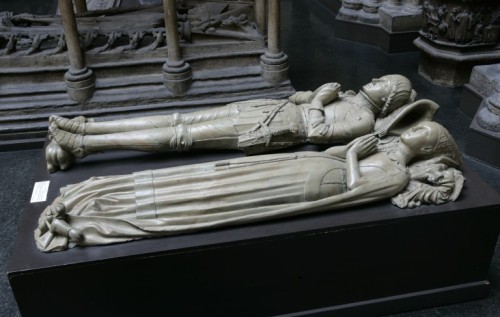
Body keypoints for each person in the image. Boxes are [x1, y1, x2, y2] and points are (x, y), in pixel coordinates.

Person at [35, 121, 464, 252]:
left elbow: (351, 192)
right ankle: (106, 195)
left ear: (429, 147)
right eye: (419, 126)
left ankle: (124, 211)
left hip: (302, 188)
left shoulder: (398, 175)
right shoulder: (383, 153)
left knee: (217, 195)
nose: (415, 131)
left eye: (424, 132)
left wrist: (353, 155)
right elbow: (338, 160)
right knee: (214, 177)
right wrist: (345, 150)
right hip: (300, 166)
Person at [45, 74, 433, 173]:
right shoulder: (348, 97)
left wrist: (316, 100)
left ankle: (87, 146)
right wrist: (310, 96)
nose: (377, 81)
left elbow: (316, 133)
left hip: (268, 131)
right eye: (382, 77)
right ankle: (86, 127)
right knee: (176, 117)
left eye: (385, 83)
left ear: (388, 99)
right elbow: (298, 99)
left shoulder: (363, 118)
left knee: (181, 136)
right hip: (263, 107)